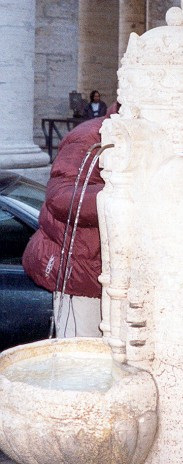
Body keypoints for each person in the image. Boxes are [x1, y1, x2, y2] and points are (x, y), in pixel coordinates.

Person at [22, 105, 118, 337]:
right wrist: (123, 196)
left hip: (109, 274)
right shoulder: (91, 136)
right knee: (83, 356)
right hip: (78, 272)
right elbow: (62, 197)